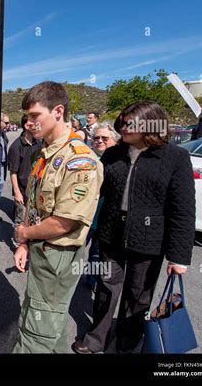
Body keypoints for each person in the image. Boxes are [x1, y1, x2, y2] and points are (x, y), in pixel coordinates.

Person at [72, 100, 195, 354]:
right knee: (106, 288)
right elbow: (96, 192)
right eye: (122, 122)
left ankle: (127, 342)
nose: (123, 127)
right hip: (111, 234)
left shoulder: (175, 157)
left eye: (130, 123)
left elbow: (182, 210)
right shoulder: (114, 153)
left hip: (149, 241)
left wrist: (179, 256)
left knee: (138, 297)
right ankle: (97, 338)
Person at [12, 81, 103, 353]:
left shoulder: (80, 161)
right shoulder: (46, 154)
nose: (28, 123)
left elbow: (64, 222)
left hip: (58, 255)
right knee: (51, 322)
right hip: (42, 250)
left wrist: (24, 234)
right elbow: (34, 201)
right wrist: (25, 244)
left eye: (34, 116)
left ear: (58, 111)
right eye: (26, 117)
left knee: (36, 332)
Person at [84, 121, 120, 291]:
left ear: (115, 139)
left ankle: (91, 281)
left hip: (106, 219)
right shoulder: (85, 159)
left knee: (97, 254)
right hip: (85, 216)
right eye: (96, 137)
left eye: (104, 138)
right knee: (73, 250)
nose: (99, 141)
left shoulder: (120, 162)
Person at [7, 115, 42, 239]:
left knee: (33, 220)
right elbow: (13, 172)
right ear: (27, 126)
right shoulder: (16, 147)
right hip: (22, 190)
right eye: (36, 124)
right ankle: (19, 243)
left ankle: (29, 242)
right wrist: (17, 192)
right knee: (20, 220)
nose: (39, 126)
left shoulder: (39, 143)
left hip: (35, 190)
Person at [0, 113, 10, 202]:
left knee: (0, 188)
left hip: (2, 165)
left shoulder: (3, 135)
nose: (8, 125)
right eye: (6, 122)